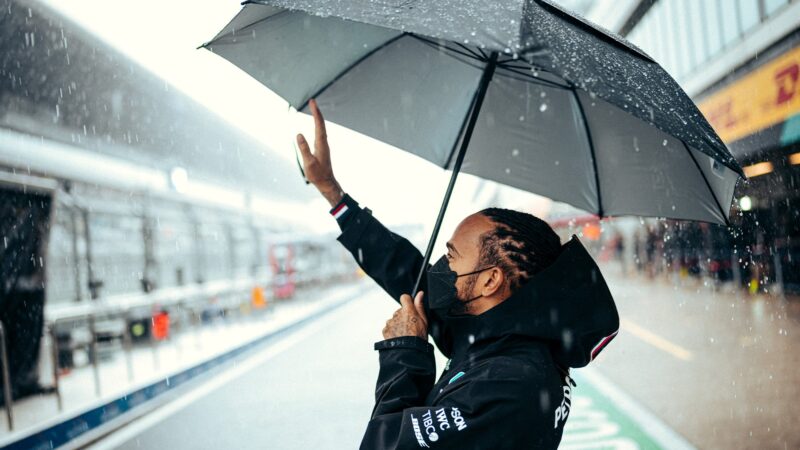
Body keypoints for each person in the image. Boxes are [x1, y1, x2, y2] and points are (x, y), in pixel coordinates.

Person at [296, 99, 620, 450]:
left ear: (489, 280)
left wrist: (404, 352)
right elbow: (408, 272)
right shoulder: (496, 331)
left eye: (451, 256)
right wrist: (335, 196)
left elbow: (383, 445)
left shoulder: (511, 384)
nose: (439, 266)